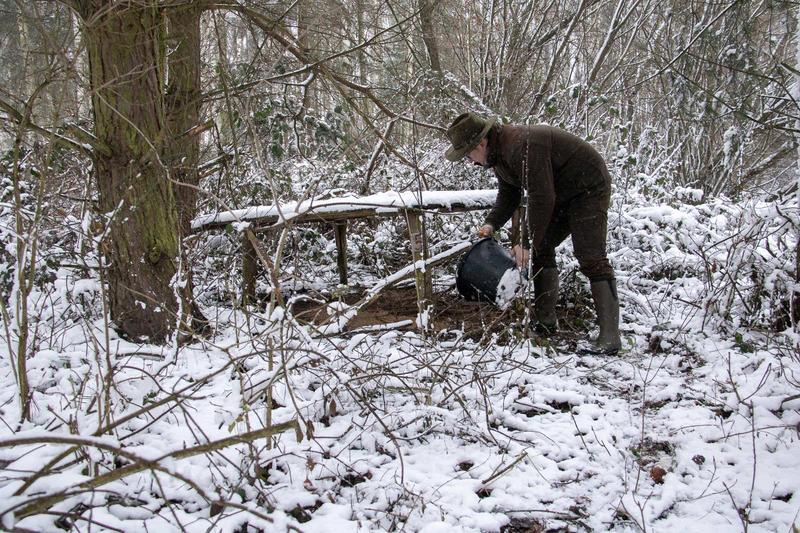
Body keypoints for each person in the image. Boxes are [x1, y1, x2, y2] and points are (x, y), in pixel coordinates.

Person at [444, 112, 621, 354]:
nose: (471, 161)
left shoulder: (520, 146)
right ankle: (546, 323)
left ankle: (610, 338)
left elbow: (542, 197)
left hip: (587, 188)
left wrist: (525, 241)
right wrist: (491, 224)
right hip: (560, 192)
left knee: (590, 257)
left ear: (481, 143)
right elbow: (509, 194)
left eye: (468, 154)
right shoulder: (499, 155)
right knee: (543, 247)